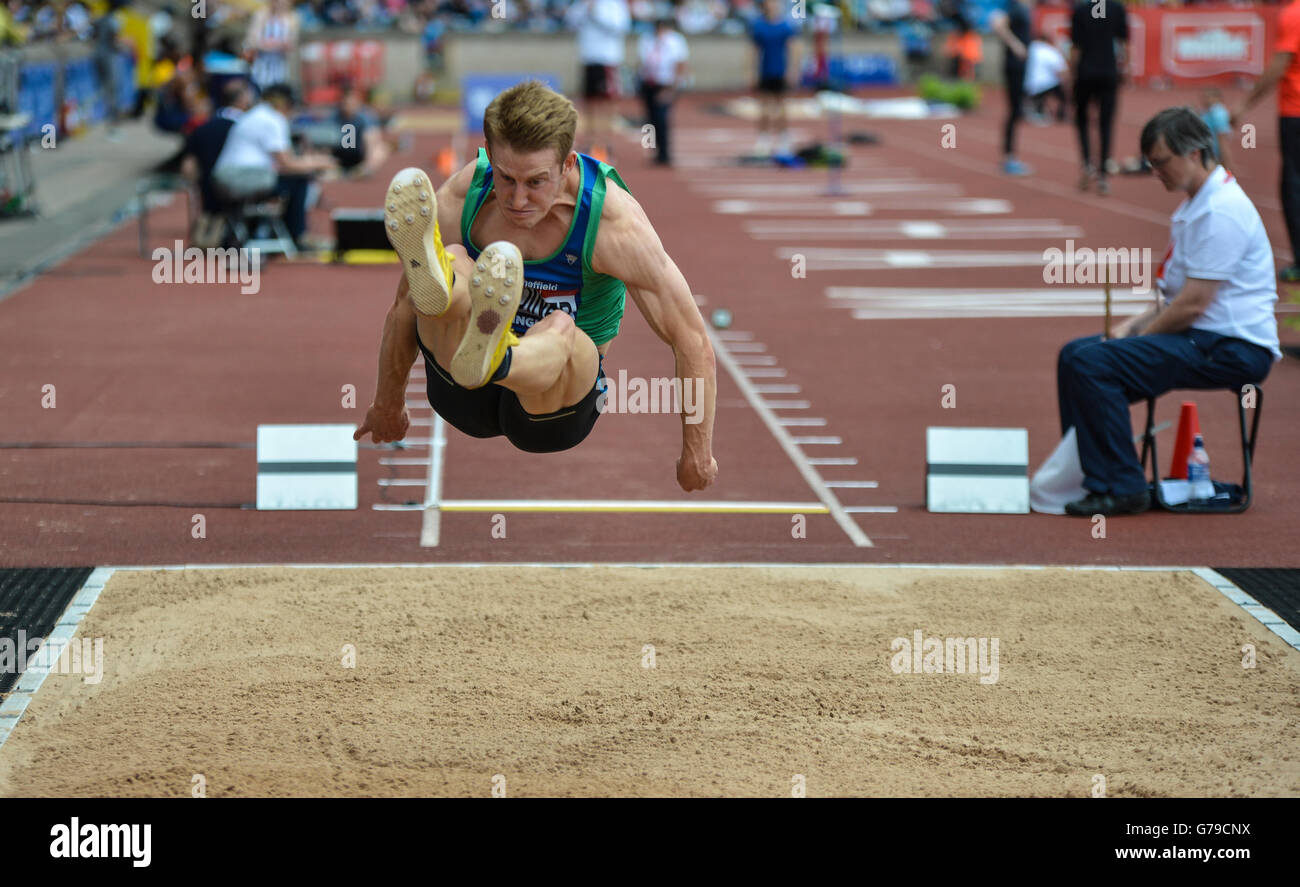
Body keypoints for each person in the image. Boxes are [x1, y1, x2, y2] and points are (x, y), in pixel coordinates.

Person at [354, 80, 718, 492]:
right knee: (453, 257)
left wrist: (697, 452)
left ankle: (500, 357)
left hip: (553, 410)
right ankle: (484, 343)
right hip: (463, 387)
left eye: (536, 182)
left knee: (562, 327)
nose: (518, 199)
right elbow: (406, 303)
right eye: (506, 178)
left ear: (566, 165)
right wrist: (387, 402)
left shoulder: (612, 224)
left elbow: (689, 337)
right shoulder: (464, 195)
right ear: (489, 154)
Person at [1054, 108, 1280, 517]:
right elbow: (1172, 297)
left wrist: (1140, 340)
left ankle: (1123, 487)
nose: (1155, 172)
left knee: (1093, 364)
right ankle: (1089, 474)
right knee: (1075, 355)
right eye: (1150, 164)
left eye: (1160, 162)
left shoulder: (1221, 211)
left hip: (1232, 346)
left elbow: (1193, 303)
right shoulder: (1196, 206)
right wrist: (1128, 329)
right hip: (1200, 336)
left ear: (1194, 153)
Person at [211, 83, 338, 249]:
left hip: (229, 176)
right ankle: (297, 235)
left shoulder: (256, 115)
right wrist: (319, 163)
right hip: (241, 177)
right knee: (299, 181)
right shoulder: (273, 119)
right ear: (283, 103)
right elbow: (287, 163)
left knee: (290, 180)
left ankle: (272, 230)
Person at [1231, 0, 1300, 282]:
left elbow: (1279, 65)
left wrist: (1245, 104)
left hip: (1295, 112)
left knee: (1293, 186)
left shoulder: (1293, 13)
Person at [1070, 0, 1128, 195]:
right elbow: (1124, 42)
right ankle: (1103, 174)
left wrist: (1072, 74)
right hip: (1108, 71)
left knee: (1082, 120)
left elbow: (1076, 47)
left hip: (1085, 72)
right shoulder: (1116, 8)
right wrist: (1125, 68)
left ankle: (1088, 164)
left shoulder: (1080, 10)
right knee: (1106, 123)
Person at [565, 0, 631, 162]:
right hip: (588, 60)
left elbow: (620, 26)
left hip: (607, 60)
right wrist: (586, 9)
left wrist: (596, 12)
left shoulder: (614, 5)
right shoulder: (583, 4)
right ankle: (590, 143)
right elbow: (569, 21)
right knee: (589, 105)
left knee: (606, 105)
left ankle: (606, 144)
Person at [748, 0, 800, 158]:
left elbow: (793, 49)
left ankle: (784, 140)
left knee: (781, 107)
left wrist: (792, 71)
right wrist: (752, 72)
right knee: (764, 107)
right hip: (765, 71)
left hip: (780, 71)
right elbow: (753, 51)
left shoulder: (786, 26)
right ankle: (763, 140)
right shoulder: (759, 26)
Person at [637, 15, 688, 166]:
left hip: (666, 84)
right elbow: (642, 62)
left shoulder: (675, 41)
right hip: (649, 84)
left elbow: (680, 64)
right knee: (650, 119)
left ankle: (665, 153)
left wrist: (672, 89)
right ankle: (656, 151)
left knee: (662, 118)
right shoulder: (647, 40)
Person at [990, 0, 1030, 175]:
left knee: (1017, 110)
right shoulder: (1016, 8)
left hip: (1019, 66)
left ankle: (1010, 156)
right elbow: (997, 24)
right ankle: (1009, 157)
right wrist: (1015, 45)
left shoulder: (1021, 8)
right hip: (1014, 65)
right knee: (1015, 110)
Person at [245, 0, 299, 93]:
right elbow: (252, 42)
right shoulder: (261, 15)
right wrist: (275, 45)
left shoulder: (292, 17)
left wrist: (273, 44)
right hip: (262, 65)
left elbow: (291, 44)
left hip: (281, 66)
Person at [1025, 33, 1068, 124]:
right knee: (1063, 94)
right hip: (1046, 85)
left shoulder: (1030, 47)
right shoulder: (1051, 51)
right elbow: (1062, 70)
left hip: (1028, 85)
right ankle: (1061, 114)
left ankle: (1037, 107)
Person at [1198, 87, 1234, 173]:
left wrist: (1228, 166)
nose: (1206, 100)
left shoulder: (1218, 114)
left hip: (1213, 157)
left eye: (1209, 97)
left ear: (1218, 98)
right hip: (1207, 154)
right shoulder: (1207, 112)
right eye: (1204, 97)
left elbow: (1223, 141)